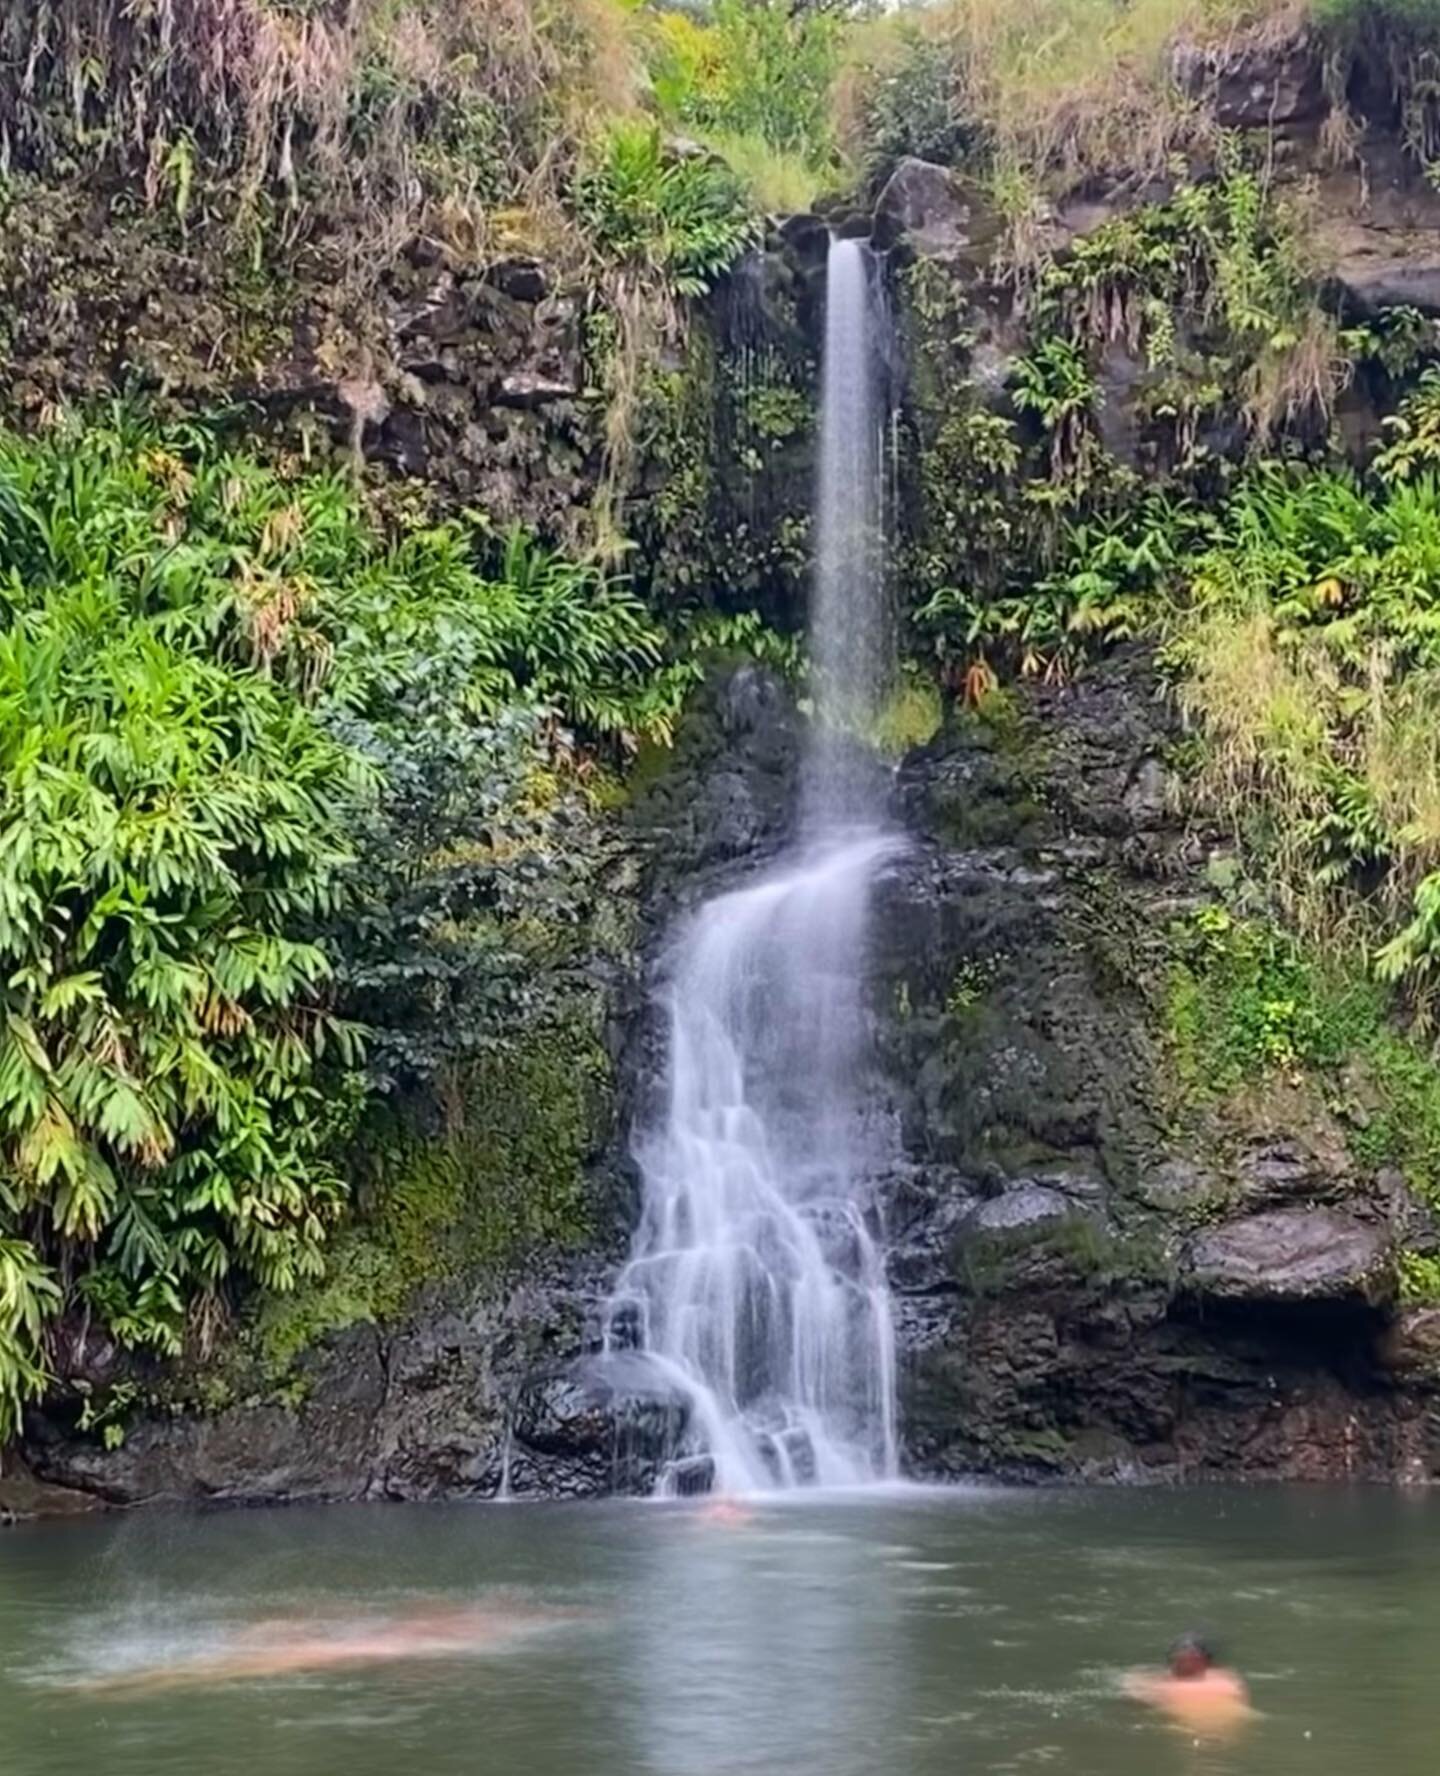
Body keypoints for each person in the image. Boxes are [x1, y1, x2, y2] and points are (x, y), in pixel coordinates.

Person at [1121, 1634, 1253, 1737]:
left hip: (1195, 1732)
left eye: (1189, 1658)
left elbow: (1132, 1699)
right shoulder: (1228, 1679)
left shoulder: (1160, 1686)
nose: (1187, 1661)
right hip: (1226, 1730)